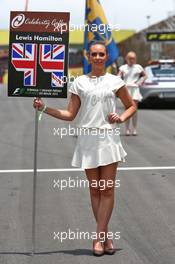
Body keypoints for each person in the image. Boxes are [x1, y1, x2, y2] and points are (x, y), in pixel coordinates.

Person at [33, 41, 136, 257]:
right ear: (88, 57)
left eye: (101, 54)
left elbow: (131, 105)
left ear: (106, 56)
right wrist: (45, 108)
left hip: (108, 138)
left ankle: (97, 238)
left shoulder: (115, 81)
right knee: (95, 190)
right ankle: (106, 236)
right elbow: (70, 114)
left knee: (107, 188)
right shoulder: (79, 82)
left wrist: (121, 118)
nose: (98, 57)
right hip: (87, 140)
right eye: (94, 54)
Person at [118, 51, 147, 136]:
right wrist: (121, 82)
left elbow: (145, 76)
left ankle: (134, 129)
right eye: (130, 58)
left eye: (133, 58)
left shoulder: (138, 67)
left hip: (134, 89)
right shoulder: (123, 68)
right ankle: (127, 129)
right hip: (126, 89)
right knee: (127, 109)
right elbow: (118, 76)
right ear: (126, 59)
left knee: (134, 110)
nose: (132, 60)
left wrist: (138, 82)